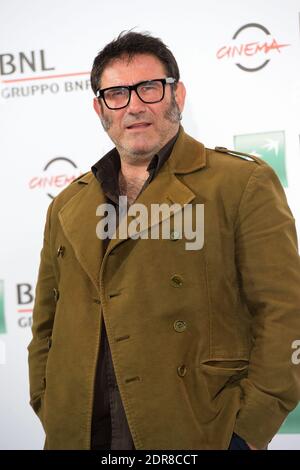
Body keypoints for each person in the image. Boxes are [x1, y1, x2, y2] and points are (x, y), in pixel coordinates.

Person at [28, 30, 300, 451]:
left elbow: (286, 313)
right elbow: (45, 323)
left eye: (149, 88)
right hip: (78, 433)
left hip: (195, 429)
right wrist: (48, 400)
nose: (134, 105)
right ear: (100, 109)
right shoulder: (67, 203)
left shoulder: (241, 183)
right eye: (117, 93)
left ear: (178, 95)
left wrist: (245, 432)